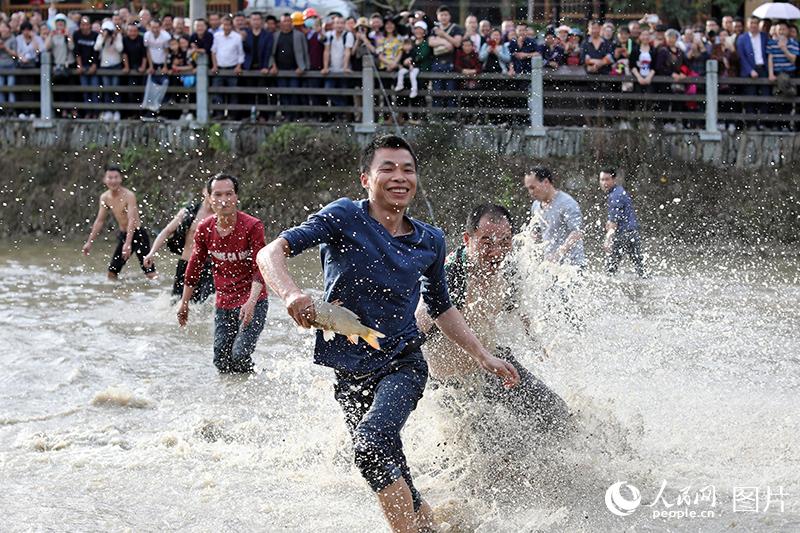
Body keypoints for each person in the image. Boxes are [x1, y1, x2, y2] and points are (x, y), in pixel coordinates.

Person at [256, 135, 519, 533]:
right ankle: (429, 525)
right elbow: (269, 254)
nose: (400, 177)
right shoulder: (344, 216)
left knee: (370, 445)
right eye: (388, 168)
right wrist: (292, 294)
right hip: (347, 368)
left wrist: (483, 355)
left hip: (403, 363)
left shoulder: (430, 240)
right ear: (366, 178)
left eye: (408, 169)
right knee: (391, 465)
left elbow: (442, 307)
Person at [415, 204, 571, 434]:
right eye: (486, 243)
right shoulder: (450, 274)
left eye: (504, 242)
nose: (496, 252)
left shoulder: (508, 270)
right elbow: (416, 328)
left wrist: (538, 344)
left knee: (557, 415)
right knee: (490, 451)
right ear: (468, 239)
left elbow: (519, 310)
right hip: (450, 386)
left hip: (492, 366)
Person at [177, 174, 268, 374]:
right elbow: (194, 266)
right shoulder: (205, 228)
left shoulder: (253, 226)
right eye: (217, 195)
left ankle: (255, 387)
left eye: (229, 194)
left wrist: (251, 302)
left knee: (240, 354)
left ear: (236, 197)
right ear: (209, 198)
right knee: (221, 360)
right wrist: (184, 303)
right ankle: (232, 396)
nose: (224, 200)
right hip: (224, 302)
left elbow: (259, 268)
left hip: (254, 301)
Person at [82, 165, 157, 280]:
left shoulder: (129, 195)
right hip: (124, 235)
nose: (113, 181)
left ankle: (159, 292)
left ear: (121, 179)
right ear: (104, 179)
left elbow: (132, 219)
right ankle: (116, 295)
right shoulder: (105, 197)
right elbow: (100, 220)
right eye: (110, 178)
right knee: (112, 272)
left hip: (138, 234)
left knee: (149, 272)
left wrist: (128, 244)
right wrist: (89, 242)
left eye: (116, 177)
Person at [145, 187, 215, 302]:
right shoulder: (188, 212)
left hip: (209, 268)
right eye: (210, 191)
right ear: (203, 191)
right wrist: (152, 252)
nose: (213, 195)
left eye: (216, 193)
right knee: (177, 303)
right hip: (186, 265)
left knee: (205, 306)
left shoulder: (223, 216)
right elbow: (167, 231)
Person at [524, 166, 585, 268]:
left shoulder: (567, 203)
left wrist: (558, 254)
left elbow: (577, 232)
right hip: (550, 266)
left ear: (546, 182)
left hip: (572, 266)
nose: (530, 192)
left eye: (532, 187)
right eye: (528, 189)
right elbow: (536, 230)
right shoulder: (536, 206)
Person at [599, 169, 645, 277]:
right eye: (602, 180)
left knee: (610, 271)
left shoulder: (615, 195)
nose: (604, 183)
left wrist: (607, 239)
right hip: (632, 233)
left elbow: (614, 222)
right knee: (640, 269)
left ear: (614, 180)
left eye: (607, 179)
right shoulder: (619, 191)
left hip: (622, 235)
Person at [736, 16, 769, 125]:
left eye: (756, 23)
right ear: (747, 24)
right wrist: (750, 70)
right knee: (750, 96)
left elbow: (768, 54)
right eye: (751, 23)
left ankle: (763, 122)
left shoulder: (765, 37)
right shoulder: (742, 38)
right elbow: (741, 57)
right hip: (749, 70)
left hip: (763, 68)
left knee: (765, 95)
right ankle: (751, 124)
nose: (753, 25)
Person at [211, 16, 245, 117]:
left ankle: (232, 114)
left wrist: (239, 66)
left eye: (228, 25)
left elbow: (240, 54)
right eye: (224, 25)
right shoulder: (217, 36)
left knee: (233, 93)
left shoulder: (237, 37)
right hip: (220, 68)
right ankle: (219, 114)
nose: (226, 27)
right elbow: (213, 51)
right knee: (217, 92)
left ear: (231, 26)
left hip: (232, 68)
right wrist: (215, 65)